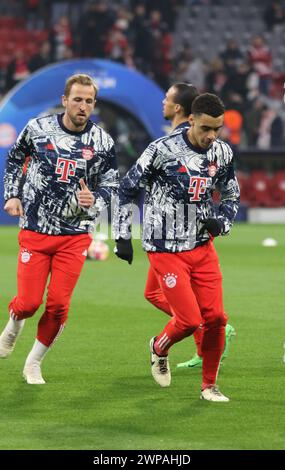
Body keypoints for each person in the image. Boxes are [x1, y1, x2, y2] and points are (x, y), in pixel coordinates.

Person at [114, 93, 240, 401]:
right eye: (206, 129)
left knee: (217, 319)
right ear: (192, 120)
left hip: (201, 246)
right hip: (164, 246)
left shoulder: (222, 153)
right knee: (189, 320)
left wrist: (220, 223)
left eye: (217, 129)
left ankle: (209, 386)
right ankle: (158, 347)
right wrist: (121, 235)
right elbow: (127, 188)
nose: (212, 136)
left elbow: (231, 195)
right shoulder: (162, 150)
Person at [0, 73, 119, 384]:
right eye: (77, 99)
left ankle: (33, 363)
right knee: (28, 304)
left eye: (88, 101)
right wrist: (12, 194)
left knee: (58, 306)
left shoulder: (103, 142)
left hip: (75, 234)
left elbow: (110, 183)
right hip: (36, 227)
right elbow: (15, 159)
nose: (82, 106)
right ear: (65, 100)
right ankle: (14, 324)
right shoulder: (38, 129)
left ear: (94, 104)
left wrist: (96, 198)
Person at [146, 83, 236, 370]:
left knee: (192, 312)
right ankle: (200, 325)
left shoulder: (197, 145)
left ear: (178, 109)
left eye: (167, 99)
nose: (163, 102)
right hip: (163, 238)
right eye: (207, 129)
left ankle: (201, 331)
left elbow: (226, 190)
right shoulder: (166, 144)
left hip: (187, 238)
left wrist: (220, 221)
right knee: (154, 293)